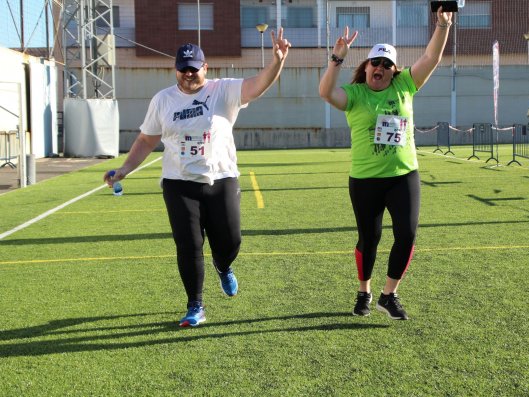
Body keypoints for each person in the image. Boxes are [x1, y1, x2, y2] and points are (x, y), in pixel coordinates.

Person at [103, 29, 291, 327]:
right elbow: (145, 140)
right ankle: (195, 305)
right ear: (175, 70)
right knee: (189, 245)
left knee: (230, 240)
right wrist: (125, 169)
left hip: (221, 179)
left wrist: (277, 62)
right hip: (179, 184)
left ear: (205, 68)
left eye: (194, 68)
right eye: (183, 69)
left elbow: (256, 86)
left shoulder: (222, 90)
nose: (188, 74)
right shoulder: (163, 100)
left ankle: (223, 264)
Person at [319, 8, 453, 320]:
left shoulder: (405, 85)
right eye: (375, 62)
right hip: (365, 179)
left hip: (403, 175)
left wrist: (442, 26)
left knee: (406, 234)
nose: (380, 67)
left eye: (387, 64)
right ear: (365, 68)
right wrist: (337, 58)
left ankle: (388, 294)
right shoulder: (354, 95)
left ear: (394, 71)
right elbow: (325, 92)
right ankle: (364, 291)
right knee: (370, 238)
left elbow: (430, 59)